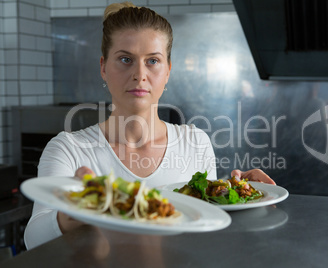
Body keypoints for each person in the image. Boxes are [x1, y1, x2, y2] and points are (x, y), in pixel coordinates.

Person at [24, 2, 275, 250]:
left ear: (168, 71)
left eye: (153, 61)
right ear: (103, 67)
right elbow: (33, 238)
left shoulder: (195, 142)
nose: (139, 74)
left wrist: (241, 194)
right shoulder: (68, 149)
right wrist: (72, 213)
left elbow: (207, 223)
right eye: (125, 59)